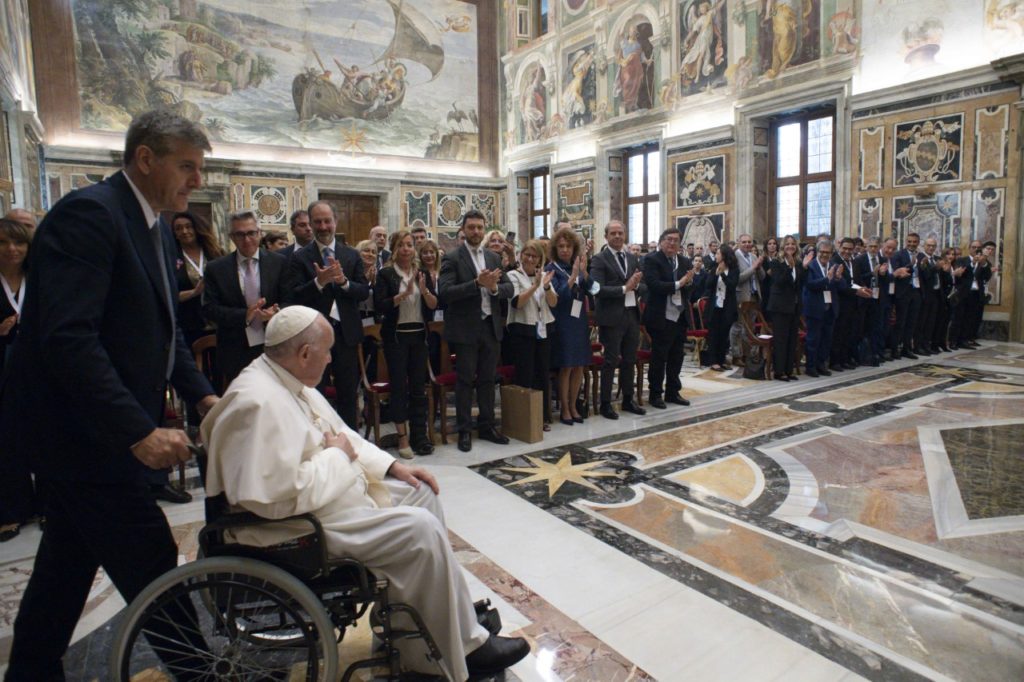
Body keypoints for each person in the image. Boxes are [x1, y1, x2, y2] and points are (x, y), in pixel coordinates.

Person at [0, 109, 219, 680]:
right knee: (150, 558)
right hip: (83, 438)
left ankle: (29, 671)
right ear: (145, 159)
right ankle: (201, 673)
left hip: (96, 442)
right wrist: (138, 431)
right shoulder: (90, 215)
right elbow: (69, 339)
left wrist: (201, 398)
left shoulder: (149, 224)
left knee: (64, 569)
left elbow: (162, 332)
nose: (197, 180)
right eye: (187, 166)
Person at [201, 306, 529, 681]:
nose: (330, 358)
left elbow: (343, 432)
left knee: (419, 492)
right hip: (294, 527)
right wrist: (337, 455)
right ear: (304, 353)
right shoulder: (257, 401)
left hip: (326, 504)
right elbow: (277, 496)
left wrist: (393, 467)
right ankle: (459, 647)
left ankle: (430, 624)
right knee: (418, 529)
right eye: (326, 351)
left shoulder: (287, 378)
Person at [284, 200, 370, 429]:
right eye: (318, 222)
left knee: (348, 393)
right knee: (315, 394)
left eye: (327, 221)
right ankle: (319, 442)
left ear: (335, 222)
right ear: (311, 224)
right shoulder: (300, 257)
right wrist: (318, 282)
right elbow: (292, 297)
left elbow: (362, 292)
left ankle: (350, 442)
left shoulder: (351, 255)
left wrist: (343, 282)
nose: (323, 226)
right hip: (312, 339)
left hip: (346, 335)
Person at [438, 210, 513, 452]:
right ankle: (464, 430)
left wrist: (492, 290)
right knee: (465, 380)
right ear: (463, 229)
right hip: (465, 329)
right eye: (471, 227)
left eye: (480, 227)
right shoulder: (452, 258)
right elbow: (446, 293)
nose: (476, 232)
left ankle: (487, 426)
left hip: (490, 326)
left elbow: (508, 288)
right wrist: (475, 284)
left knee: (488, 379)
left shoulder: (493, 257)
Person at [203, 210, 287, 387]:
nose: (247, 239)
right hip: (235, 347)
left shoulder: (280, 262)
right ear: (231, 237)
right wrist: (246, 315)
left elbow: (291, 299)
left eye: (251, 233)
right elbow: (209, 309)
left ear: (260, 233)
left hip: (274, 344)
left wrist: (275, 312)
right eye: (240, 234)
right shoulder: (216, 268)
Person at [374, 230, 437, 457]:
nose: (407, 249)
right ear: (394, 248)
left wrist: (423, 291)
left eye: (410, 245)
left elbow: (433, 305)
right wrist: (403, 295)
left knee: (418, 388)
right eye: (402, 245)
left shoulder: (422, 273)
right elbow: (379, 306)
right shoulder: (386, 274)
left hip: (419, 335)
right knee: (399, 387)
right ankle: (402, 437)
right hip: (397, 337)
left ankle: (420, 436)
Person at [0, 218, 37, 542]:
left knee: (44, 434)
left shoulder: (37, 279)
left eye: (19, 243)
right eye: (4, 243)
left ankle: (48, 506)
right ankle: (12, 509)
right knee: (7, 439)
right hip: (3, 369)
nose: (12, 250)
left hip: (38, 367)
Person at [591, 220, 647, 419]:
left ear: (625, 236)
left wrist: (637, 286)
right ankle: (606, 403)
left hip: (631, 314)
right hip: (611, 316)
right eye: (613, 233)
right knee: (610, 360)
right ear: (606, 236)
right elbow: (596, 289)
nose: (617, 236)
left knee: (630, 359)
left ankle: (628, 400)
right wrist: (625, 288)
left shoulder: (632, 258)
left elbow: (643, 284)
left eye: (620, 233)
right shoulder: (599, 259)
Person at [506, 240, 557, 429]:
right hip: (522, 329)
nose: (529, 258)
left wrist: (544, 287)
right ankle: (525, 416)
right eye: (526, 254)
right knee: (525, 373)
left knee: (542, 373)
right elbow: (517, 303)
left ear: (539, 260)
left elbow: (553, 303)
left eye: (534, 256)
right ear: (520, 256)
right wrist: (535, 286)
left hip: (543, 328)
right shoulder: (512, 275)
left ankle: (542, 417)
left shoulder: (544, 275)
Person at [642, 228, 694, 409]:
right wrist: (680, 283)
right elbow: (654, 285)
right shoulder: (651, 259)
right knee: (659, 357)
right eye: (669, 240)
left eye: (676, 240)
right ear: (661, 241)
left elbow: (689, 289)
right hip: (660, 315)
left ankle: (673, 391)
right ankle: (655, 393)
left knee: (676, 356)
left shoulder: (685, 261)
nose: (672, 243)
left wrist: (689, 284)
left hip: (679, 315)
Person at [546, 226, 593, 425]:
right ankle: (564, 407)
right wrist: (573, 277)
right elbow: (559, 297)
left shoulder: (577, 266)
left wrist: (583, 272)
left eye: (568, 246)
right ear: (556, 249)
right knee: (566, 366)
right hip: (562, 321)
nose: (565, 250)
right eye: (561, 246)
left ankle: (574, 405)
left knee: (579, 366)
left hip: (579, 320)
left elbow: (592, 289)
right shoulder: (551, 269)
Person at [171, 210, 223, 349]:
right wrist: (194, 292)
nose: (184, 231)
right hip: (188, 325)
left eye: (188, 226)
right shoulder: (170, 258)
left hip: (218, 323)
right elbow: (168, 295)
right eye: (179, 228)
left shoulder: (215, 253)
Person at [766, 235, 810, 380]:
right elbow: (779, 281)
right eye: (787, 244)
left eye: (793, 244)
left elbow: (800, 283)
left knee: (792, 339)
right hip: (780, 306)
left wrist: (803, 267)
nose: (790, 246)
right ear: (783, 247)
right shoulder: (776, 262)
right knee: (781, 339)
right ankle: (779, 371)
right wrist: (788, 267)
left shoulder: (797, 262)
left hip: (794, 306)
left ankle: (789, 370)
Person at [802, 239, 847, 377]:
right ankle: (811, 366)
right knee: (813, 339)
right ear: (817, 252)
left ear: (832, 253)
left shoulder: (834, 265)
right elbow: (810, 284)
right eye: (822, 252)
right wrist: (826, 279)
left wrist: (838, 278)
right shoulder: (811, 265)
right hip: (815, 308)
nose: (824, 255)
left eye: (827, 252)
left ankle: (821, 364)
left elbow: (843, 287)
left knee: (826, 339)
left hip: (830, 308)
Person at [731, 233, 765, 365]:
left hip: (754, 296)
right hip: (741, 296)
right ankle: (736, 354)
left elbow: (761, 277)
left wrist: (759, 266)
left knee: (749, 327)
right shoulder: (734, 258)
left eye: (749, 242)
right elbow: (738, 279)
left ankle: (747, 354)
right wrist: (753, 267)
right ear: (739, 243)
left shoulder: (753, 256)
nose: (747, 244)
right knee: (738, 326)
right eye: (744, 242)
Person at [704, 243, 739, 371]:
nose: (716, 256)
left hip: (727, 306)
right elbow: (708, 285)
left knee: (724, 334)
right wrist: (716, 274)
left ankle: (721, 359)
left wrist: (723, 274)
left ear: (724, 256)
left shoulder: (734, 269)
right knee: (713, 334)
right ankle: (713, 361)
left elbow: (732, 286)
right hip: (715, 306)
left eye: (718, 253)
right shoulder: (714, 267)